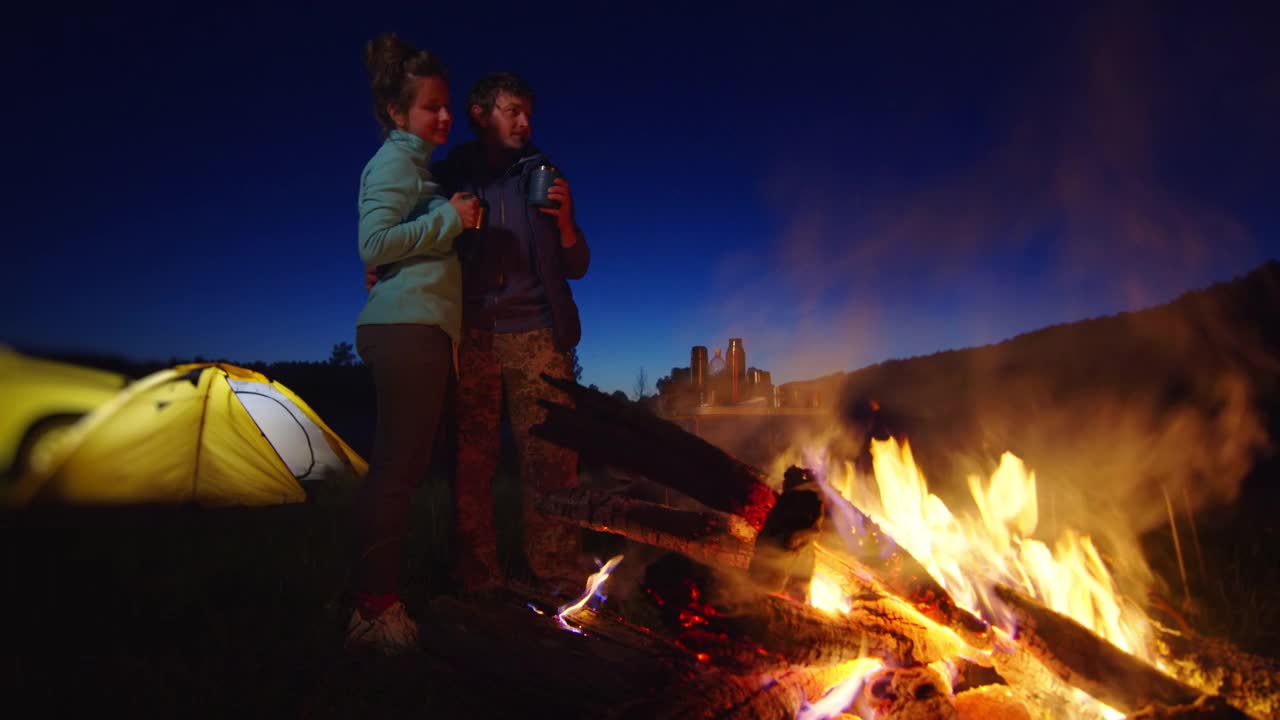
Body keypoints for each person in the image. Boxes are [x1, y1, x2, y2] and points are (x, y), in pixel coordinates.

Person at [433, 72, 591, 598]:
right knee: (472, 455)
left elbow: (577, 264)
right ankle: (475, 573)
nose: (524, 122)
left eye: (527, 112)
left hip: (538, 333)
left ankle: (556, 574)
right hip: (474, 332)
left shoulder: (542, 172)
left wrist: (566, 223)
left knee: (551, 458)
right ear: (481, 115)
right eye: (511, 111)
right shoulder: (450, 174)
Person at [346, 33, 479, 655]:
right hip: (406, 332)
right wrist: (449, 219)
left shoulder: (415, 164)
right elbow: (373, 245)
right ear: (399, 113)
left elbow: (391, 246)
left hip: (416, 330)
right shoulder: (394, 163)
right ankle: (373, 613)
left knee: (399, 471)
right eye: (431, 106)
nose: (445, 115)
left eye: (446, 105)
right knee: (396, 474)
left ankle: (372, 594)